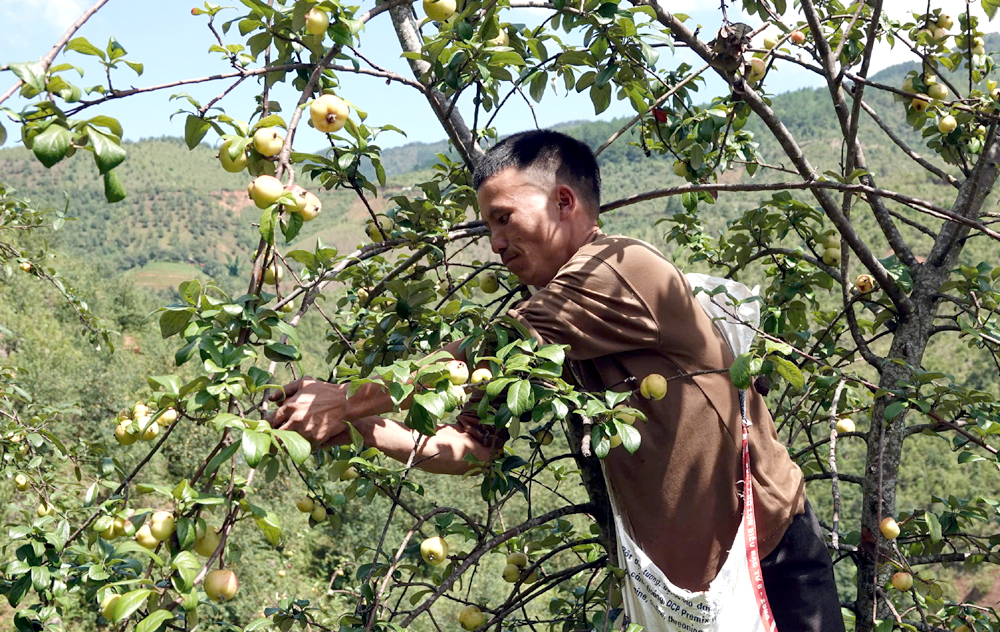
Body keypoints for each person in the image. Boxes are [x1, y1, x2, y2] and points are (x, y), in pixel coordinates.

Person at [267, 130, 845, 632]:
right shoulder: (548, 315)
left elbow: (485, 352)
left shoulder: (619, 268)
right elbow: (472, 449)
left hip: (766, 558)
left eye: (504, 219)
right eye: (487, 225)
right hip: (687, 596)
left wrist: (343, 400)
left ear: (563, 202)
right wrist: (364, 427)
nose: (494, 243)